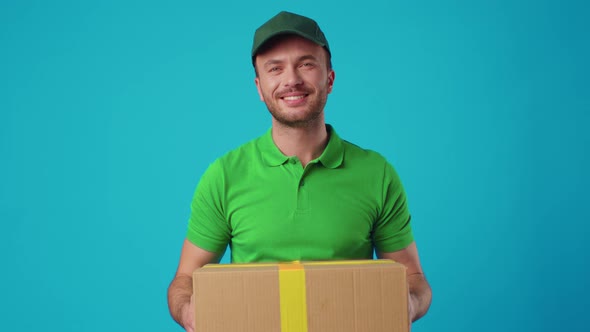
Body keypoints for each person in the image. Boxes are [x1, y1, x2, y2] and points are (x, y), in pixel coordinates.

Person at [167, 11, 432, 332]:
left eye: (306, 64)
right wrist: (189, 311)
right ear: (259, 87)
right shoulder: (224, 175)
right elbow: (185, 279)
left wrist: (408, 303)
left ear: (329, 79)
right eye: (275, 68)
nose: (291, 79)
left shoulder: (376, 173)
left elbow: (413, 278)